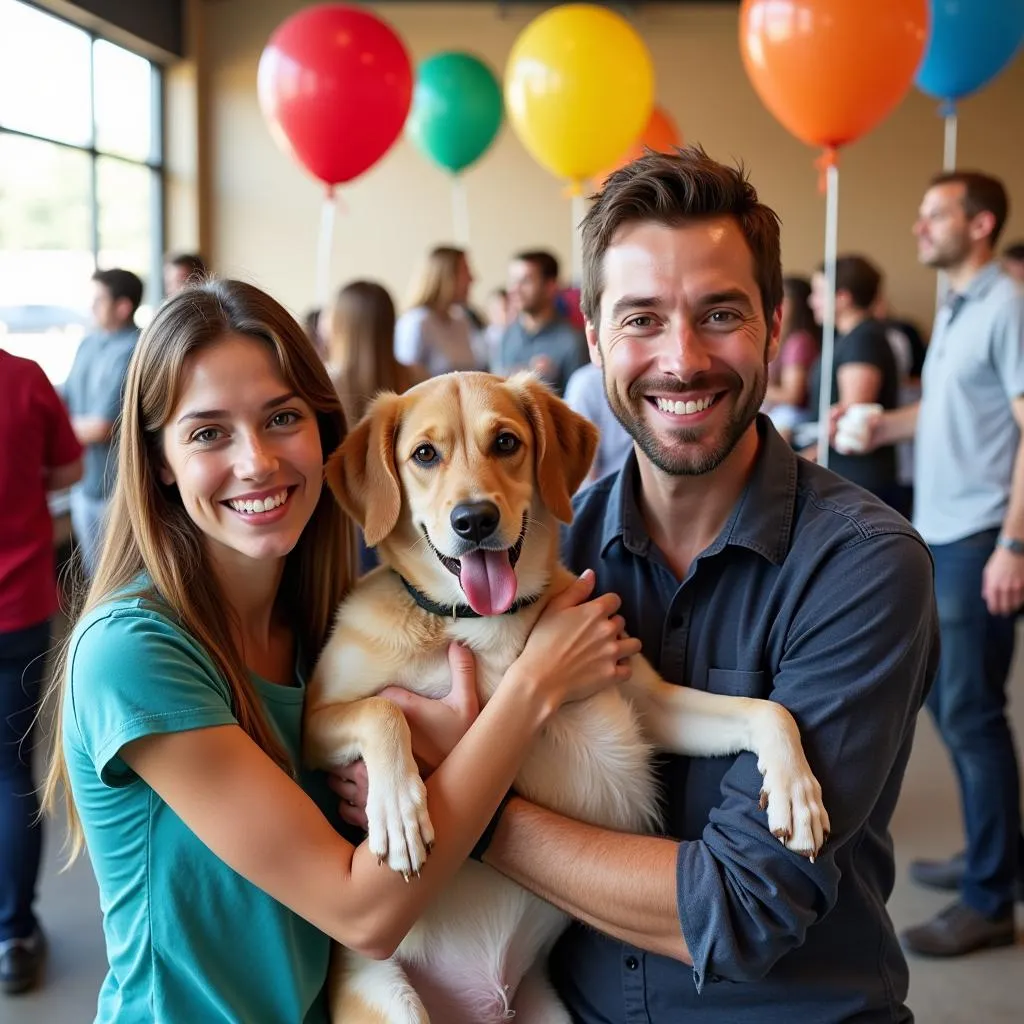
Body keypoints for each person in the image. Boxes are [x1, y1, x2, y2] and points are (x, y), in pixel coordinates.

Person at [336, 148, 939, 1022]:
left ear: (775, 323)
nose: (682, 360)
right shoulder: (537, 550)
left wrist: (466, 801)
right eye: (643, 319)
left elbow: (742, 909)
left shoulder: (863, 566)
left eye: (720, 313)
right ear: (594, 339)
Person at [40, 279, 636, 1023]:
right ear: (160, 459)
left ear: (323, 436)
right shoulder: (133, 654)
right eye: (207, 432)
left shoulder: (322, 621)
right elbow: (365, 916)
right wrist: (533, 688)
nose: (256, 461)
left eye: (280, 418)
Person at [849, 171, 1024, 957]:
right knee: (953, 709)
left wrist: (1014, 545)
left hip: (982, 536)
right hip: (944, 529)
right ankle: (996, 857)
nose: (919, 227)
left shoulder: (1009, 305)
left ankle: (992, 896)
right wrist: (883, 426)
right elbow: (954, 408)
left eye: (934, 214)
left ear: (980, 224)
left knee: (972, 714)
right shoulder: (960, 308)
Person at [0, 350, 83, 995]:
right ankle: (14, 936)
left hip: (21, 608)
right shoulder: (23, 379)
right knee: (10, 770)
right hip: (18, 604)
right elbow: (69, 467)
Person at [323, 279, 414, 575]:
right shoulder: (417, 379)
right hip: (407, 512)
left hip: (343, 520)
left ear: (339, 322)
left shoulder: (325, 384)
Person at [806, 255, 903, 512]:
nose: (811, 301)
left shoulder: (863, 340)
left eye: (817, 293)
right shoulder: (849, 338)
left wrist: (800, 459)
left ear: (843, 297)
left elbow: (851, 424)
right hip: (848, 476)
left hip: (857, 480)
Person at [63, 268, 142, 577]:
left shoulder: (135, 348)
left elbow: (101, 427)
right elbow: (66, 399)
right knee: (94, 574)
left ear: (123, 306)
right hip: (84, 485)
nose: (91, 307)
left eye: (98, 300)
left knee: (119, 579)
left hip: (117, 491)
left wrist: (54, 429)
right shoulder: (88, 343)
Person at [498, 250, 588, 394]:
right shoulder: (507, 335)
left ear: (550, 286)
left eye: (525, 281)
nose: (515, 289)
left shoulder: (573, 341)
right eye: (513, 281)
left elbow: (577, 405)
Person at [394, 246, 482, 378]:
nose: (472, 278)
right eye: (465, 271)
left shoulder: (461, 320)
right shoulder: (416, 322)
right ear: (446, 276)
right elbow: (405, 382)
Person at [761, 275, 820, 439]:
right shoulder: (784, 338)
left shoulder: (799, 341)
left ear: (796, 305)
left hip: (792, 419)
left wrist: (754, 387)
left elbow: (792, 395)